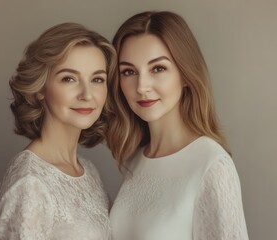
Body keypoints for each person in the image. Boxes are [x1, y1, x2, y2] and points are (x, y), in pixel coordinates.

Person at [106, 11, 249, 240]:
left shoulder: (211, 165)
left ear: (184, 74)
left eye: (158, 68)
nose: (142, 86)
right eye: (129, 72)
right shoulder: (135, 159)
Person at [0, 22, 116, 239]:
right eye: (69, 78)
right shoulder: (30, 184)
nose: (87, 94)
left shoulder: (89, 171)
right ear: (41, 89)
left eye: (97, 79)